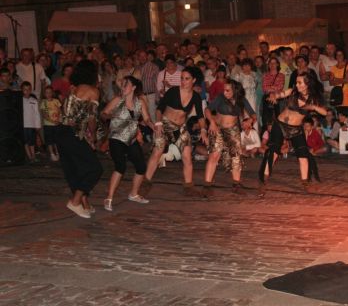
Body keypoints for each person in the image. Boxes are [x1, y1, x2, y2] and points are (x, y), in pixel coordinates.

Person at [140, 66, 208, 198]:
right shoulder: (173, 91)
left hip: (180, 128)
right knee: (157, 152)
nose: (183, 81)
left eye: (186, 79)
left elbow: (200, 116)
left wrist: (204, 129)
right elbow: (159, 109)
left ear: (193, 80)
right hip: (165, 125)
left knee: (187, 156)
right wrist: (158, 123)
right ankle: (145, 182)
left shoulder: (196, 97)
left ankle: (188, 186)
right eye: (182, 78)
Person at [259, 72, 327, 193]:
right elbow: (280, 94)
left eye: (300, 82)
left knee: (303, 154)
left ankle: (305, 182)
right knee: (273, 153)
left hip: (295, 129)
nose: (297, 84)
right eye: (296, 82)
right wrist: (274, 95)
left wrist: (314, 107)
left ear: (307, 84)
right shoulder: (293, 91)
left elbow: (325, 112)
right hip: (280, 125)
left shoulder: (313, 99)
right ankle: (263, 180)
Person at [56, 60, 103, 218]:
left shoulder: (73, 88)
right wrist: (94, 136)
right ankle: (75, 202)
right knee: (95, 168)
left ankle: (85, 205)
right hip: (72, 134)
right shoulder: (93, 91)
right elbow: (91, 118)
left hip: (61, 132)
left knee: (75, 170)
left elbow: (65, 111)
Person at [101, 76, 153, 211]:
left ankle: (134, 194)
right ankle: (109, 198)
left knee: (141, 167)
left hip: (131, 139)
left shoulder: (140, 102)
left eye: (126, 85)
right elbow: (103, 113)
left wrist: (154, 127)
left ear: (133, 88)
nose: (123, 87)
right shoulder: (118, 100)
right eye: (122, 85)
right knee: (120, 167)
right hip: (116, 137)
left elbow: (146, 119)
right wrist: (109, 115)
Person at [203, 79, 254, 196]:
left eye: (228, 90)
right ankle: (207, 185)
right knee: (214, 155)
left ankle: (236, 185)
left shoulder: (241, 100)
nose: (224, 92)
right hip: (218, 128)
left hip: (232, 130)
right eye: (224, 90)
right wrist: (211, 122)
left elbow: (253, 113)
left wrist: (250, 120)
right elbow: (207, 110)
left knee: (236, 156)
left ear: (235, 91)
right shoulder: (221, 97)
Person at [327, 49, 348, 119]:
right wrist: (342, 80)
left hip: (347, 92)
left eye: (341, 54)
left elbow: (347, 80)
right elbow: (331, 82)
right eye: (337, 55)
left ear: (343, 55)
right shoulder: (333, 68)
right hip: (338, 93)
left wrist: (335, 79)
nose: (339, 56)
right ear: (335, 56)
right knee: (339, 115)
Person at [261, 57, 285, 132]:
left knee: (278, 118)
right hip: (267, 99)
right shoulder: (265, 75)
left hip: (278, 99)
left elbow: (280, 87)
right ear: (268, 65)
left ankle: (278, 135)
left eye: (274, 63)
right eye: (271, 63)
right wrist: (272, 90)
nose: (272, 65)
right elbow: (264, 88)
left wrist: (271, 90)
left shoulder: (281, 75)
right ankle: (266, 137)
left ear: (277, 64)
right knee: (266, 118)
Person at [40, 85, 61, 162]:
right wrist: (52, 121)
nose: (48, 94)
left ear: (52, 93)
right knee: (49, 140)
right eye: (46, 93)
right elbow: (44, 115)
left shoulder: (56, 101)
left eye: (50, 92)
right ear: (44, 94)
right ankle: (52, 154)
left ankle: (58, 152)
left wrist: (58, 120)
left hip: (57, 124)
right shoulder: (43, 102)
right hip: (48, 125)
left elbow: (59, 111)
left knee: (56, 139)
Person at [21, 81, 41, 163]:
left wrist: (37, 125)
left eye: (28, 89)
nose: (27, 91)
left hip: (32, 125)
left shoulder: (34, 100)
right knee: (25, 141)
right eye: (25, 89)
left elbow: (36, 113)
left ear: (31, 90)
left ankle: (33, 156)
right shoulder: (19, 100)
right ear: (22, 90)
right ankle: (30, 157)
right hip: (24, 125)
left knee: (32, 141)